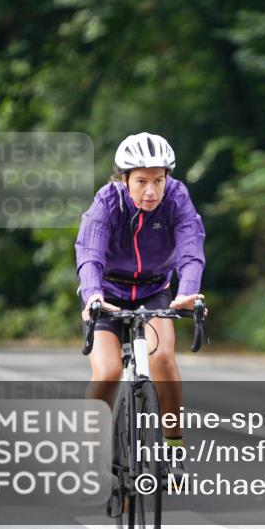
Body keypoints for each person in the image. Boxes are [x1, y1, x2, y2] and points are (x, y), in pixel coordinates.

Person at [75, 133, 205, 477]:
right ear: (124, 179)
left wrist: (188, 292)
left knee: (162, 358)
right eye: (142, 181)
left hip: (154, 291)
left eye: (158, 180)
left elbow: (191, 246)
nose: (151, 191)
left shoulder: (176, 198)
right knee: (108, 372)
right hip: (108, 294)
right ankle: (93, 452)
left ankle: (174, 449)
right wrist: (92, 295)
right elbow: (89, 254)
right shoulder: (107, 202)